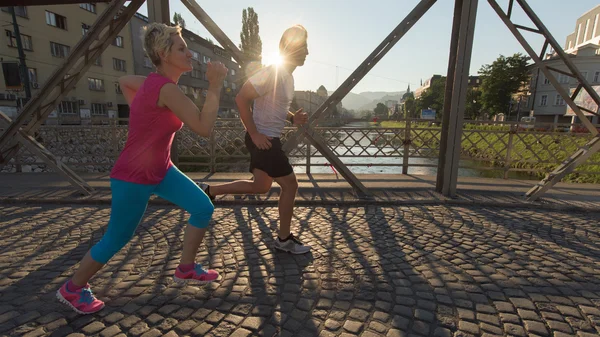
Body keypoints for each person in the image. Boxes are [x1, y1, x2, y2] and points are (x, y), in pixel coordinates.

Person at [56, 23, 228, 314]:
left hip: (161, 169)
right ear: (163, 53)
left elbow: (124, 81)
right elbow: (204, 127)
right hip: (133, 176)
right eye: (182, 48)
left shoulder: (152, 84)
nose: (191, 55)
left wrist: (142, 111)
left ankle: (186, 267)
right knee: (117, 237)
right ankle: (71, 290)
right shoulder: (166, 89)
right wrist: (214, 84)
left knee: (202, 207)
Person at [200, 25, 310, 254]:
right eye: (304, 47)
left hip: (267, 138)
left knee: (261, 186)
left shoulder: (287, 77)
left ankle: (210, 191)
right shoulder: (271, 72)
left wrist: (292, 118)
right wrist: (255, 134)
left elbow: (274, 105)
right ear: (289, 48)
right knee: (291, 184)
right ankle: (284, 239)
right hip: (265, 140)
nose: (307, 53)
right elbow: (241, 99)